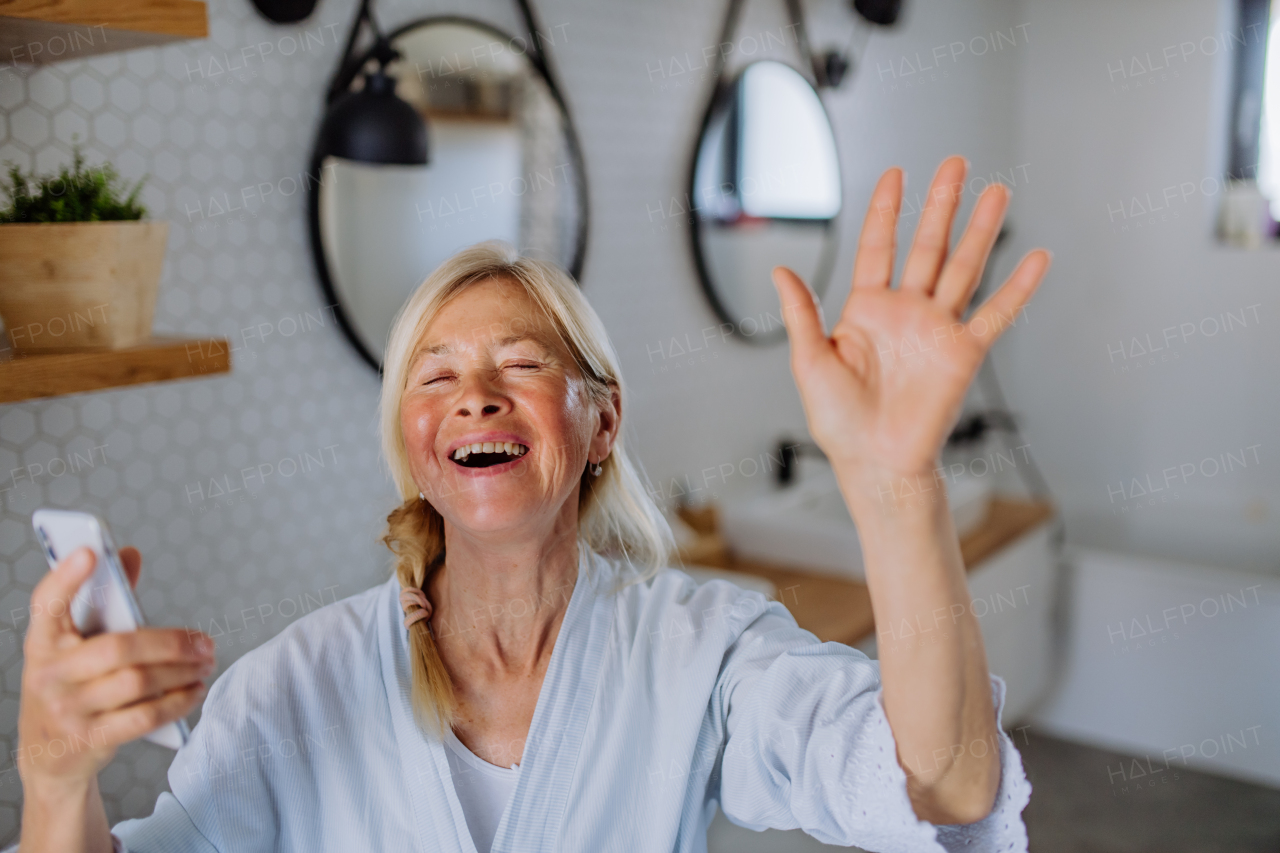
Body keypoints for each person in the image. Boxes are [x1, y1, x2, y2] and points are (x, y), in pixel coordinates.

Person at [11, 156, 1050, 853]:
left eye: (520, 361)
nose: (475, 392)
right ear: (416, 448)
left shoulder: (704, 650)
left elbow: (946, 790)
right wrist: (58, 782)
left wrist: (894, 487)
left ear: (601, 425)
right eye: (435, 374)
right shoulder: (295, 684)